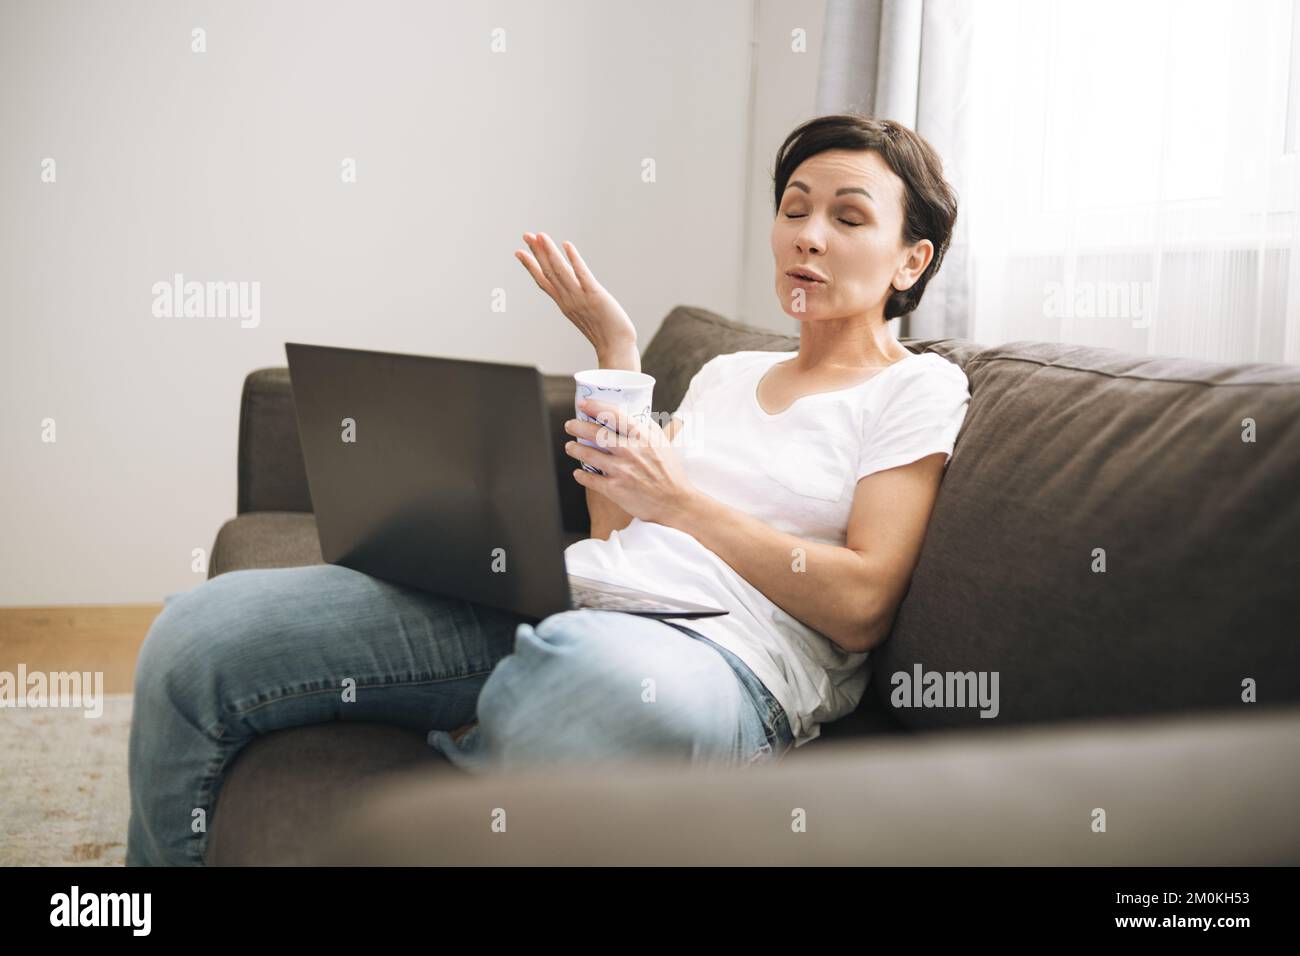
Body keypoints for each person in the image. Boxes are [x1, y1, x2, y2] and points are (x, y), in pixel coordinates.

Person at [126, 114, 970, 866]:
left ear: (911, 258)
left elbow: (862, 604)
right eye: (795, 208)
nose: (808, 236)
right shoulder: (726, 372)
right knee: (198, 636)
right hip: (578, 602)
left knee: (588, 680)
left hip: (719, 660)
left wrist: (682, 504)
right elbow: (614, 536)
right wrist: (615, 349)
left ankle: (492, 745)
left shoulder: (916, 388)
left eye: (848, 216)